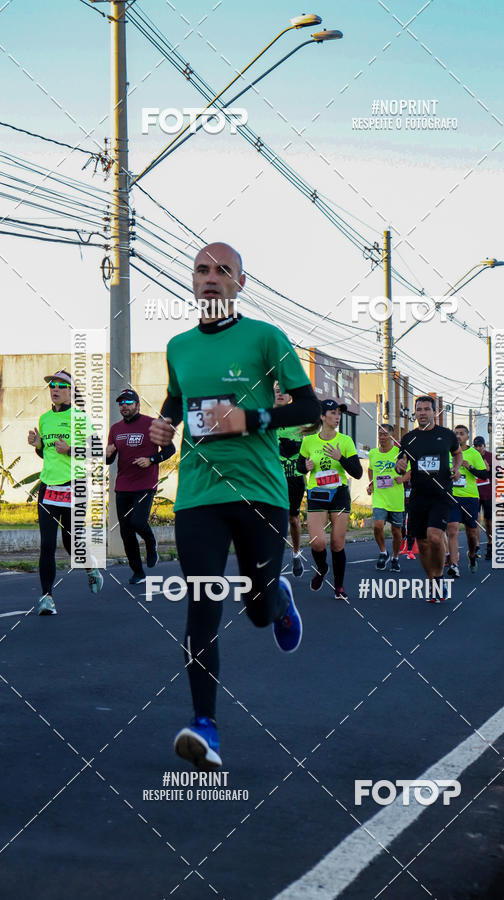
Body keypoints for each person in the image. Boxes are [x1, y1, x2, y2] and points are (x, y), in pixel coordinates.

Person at [150, 242, 320, 771]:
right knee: (202, 604)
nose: (211, 277)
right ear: (193, 279)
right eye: (202, 269)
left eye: (223, 270)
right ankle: (206, 727)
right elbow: (175, 407)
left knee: (255, 610)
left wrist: (247, 420)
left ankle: (278, 602)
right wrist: (161, 432)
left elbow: (310, 406)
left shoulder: (266, 338)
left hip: (260, 492)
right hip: (199, 495)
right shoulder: (178, 346)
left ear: (240, 283)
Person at [27, 370, 104, 615]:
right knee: (47, 544)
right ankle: (47, 597)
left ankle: (90, 568)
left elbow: (96, 451)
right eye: (51, 385)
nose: (55, 388)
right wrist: (38, 446)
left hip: (74, 487)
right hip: (48, 488)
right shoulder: (44, 419)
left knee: (72, 545)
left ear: (71, 391)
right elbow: (46, 453)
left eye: (61, 385)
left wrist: (71, 449)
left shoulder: (80, 418)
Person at [395, 396, 463, 602]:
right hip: (418, 496)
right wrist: (399, 466)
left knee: (434, 536)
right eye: (419, 409)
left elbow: (457, 453)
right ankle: (432, 581)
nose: (422, 413)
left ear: (434, 412)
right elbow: (401, 462)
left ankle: (440, 578)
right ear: (415, 413)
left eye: (426, 409)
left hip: (441, 494)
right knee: (423, 544)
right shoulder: (409, 438)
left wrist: (457, 467)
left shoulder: (446, 435)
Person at [106, 388, 176, 584]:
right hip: (123, 485)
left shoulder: (151, 424)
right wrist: (108, 454)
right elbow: (108, 461)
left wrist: (152, 459)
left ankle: (151, 543)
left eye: (128, 402)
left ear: (137, 404)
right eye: (121, 403)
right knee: (126, 531)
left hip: (145, 484)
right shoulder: (116, 429)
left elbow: (170, 449)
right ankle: (138, 572)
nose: (124, 406)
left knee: (138, 522)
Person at [297, 399, 363, 600]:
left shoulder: (345, 441)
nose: (337, 417)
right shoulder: (309, 441)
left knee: (336, 543)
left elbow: (358, 473)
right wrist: (305, 467)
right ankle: (322, 567)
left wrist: (340, 457)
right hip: (317, 494)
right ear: (322, 416)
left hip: (339, 494)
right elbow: (301, 465)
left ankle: (339, 586)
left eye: (339, 414)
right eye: (333, 413)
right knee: (317, 543)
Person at [274, 382, 306, 577]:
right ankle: (273, 560)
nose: (279, 394)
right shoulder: (267, 418)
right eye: (276, 391)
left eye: (282, 391)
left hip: (294, 477)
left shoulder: (299, 420)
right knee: (274, 519)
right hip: (273, 479)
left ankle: (296, 554)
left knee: (293, 519)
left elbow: (311, 447)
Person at [446, 426, 488, 577]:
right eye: (455, 434)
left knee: (471, 533)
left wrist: (469, 466)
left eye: (461, 434)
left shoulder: (474, 453)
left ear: (467, 437)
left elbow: (484, 474)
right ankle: (454, 564)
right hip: (452, 496)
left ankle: (471, 555)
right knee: (452, 529)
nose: (458, 436)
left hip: (470, 497)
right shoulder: (447, 452)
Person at [367, 424, 407, 571]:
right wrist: (371, 483)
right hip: (380, 496)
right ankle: (383, 552)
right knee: (377, 526)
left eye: (385, 434)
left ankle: (395, 557)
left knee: (397, 531)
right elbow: (370, 469)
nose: (382, 437)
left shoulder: (399, 453)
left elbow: (410, 471)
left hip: (395, 498)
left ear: (391, 436)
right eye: (380, 434)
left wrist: (402, 479)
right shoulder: (372, 453)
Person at [473, 436, 493, 560]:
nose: (478, 448)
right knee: (476, 521)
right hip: (474, 493)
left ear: (484, 445)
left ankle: (490, 544)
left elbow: (499, 474)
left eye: (480, 446)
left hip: (488, 493)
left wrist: (489, 470)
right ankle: (476, 546)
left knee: (488, 522)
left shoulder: (491, 457)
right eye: (476, 446)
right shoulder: (471, 455)